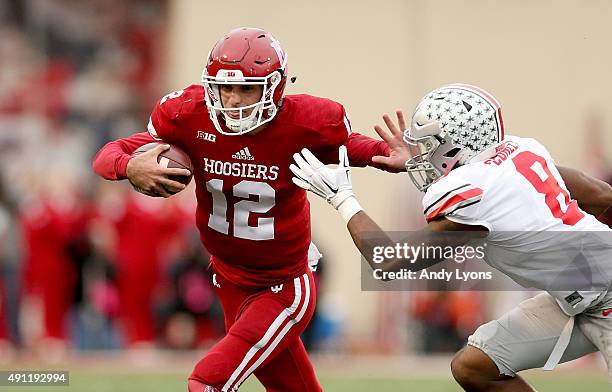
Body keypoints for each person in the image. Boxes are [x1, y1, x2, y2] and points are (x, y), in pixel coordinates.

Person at [93, 27, 403, 392]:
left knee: (207, 381)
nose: (235, 99)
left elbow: (346, 143)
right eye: (226, 87)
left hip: (283, 286)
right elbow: (108, 153)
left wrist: (385, 155)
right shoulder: (190, 116)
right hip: (228, 280)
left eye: (247, 88)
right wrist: (128, 166)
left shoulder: (305, 122)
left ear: (275, 87)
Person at [290, 83, 612, 391]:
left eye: (429, 146)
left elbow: (388, 261)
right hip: (577, 296)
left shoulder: (474, 196)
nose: (423, 155)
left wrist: (342, 198)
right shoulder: (520, 152)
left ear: (455, 145)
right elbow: (600, 195)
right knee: (474, 366)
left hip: (604, 294)